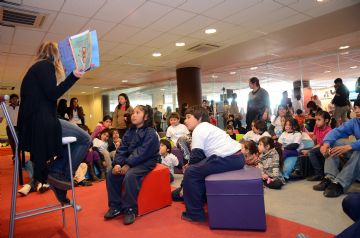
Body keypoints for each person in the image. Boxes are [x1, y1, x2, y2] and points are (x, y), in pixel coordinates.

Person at [17, 41, 91, 204]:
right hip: (41, 123)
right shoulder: (45, 67)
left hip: (35, 123)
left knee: (80, 139)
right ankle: (58, 175)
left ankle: (57, 174)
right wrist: (74, 76)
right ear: (56, 54)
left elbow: (46, 96)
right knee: (86, 139)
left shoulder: (36, 68)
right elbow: (52, 94)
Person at [181, 105, 244, 222]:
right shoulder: (208, 127)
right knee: (194, 170)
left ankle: (194, 214)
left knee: (191, 172)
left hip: (229, 158)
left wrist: (188, 170)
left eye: (189, 117)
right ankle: (200, 198)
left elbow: (196, 157)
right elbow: (200, 158)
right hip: (237, 158)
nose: (185, 120)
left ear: (199, 118)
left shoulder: (199, 129)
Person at [104, 105, 160, 225]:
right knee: (110, 172)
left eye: (137, 113)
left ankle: (130, 209)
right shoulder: (130, 130)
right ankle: (116, 206)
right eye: (133, 112)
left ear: (145, 117)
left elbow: (142, 152)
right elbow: (122, 149)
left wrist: (128, 164)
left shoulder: (151, 133)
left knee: (130, 175)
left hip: (146, 161)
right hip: (132, 159)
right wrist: (118, 164)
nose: (133, 115)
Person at [313, 98, 360, 198]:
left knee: (358, 151)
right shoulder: (355, 122)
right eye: (356, 107)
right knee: (335, 142)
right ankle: (330, 178)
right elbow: (336, 131)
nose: (357, 110)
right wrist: (326, 143)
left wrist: (350, 146)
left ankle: (340, 184)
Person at [0, 94, 20, 160]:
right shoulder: (7, 108)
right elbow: (1, 118)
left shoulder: (21, 108)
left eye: (16, 99)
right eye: (13, 99)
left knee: (19, 142)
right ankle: (15, 155)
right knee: (12, 142)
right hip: (10, 128)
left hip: (19, 127)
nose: (15, 100)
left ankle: (18, 156)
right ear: (10, 100)